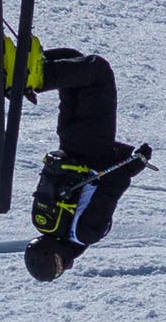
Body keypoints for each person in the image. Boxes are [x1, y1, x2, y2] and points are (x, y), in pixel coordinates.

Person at [20, 47, 150, 281]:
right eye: (60, 269)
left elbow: (112, 187)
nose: (66, 265)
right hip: (68, 141)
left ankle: (33, 74)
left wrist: (133, 166)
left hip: (93, 147)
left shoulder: (86, 233)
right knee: (76, 66)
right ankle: (32, 67)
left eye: (58, 264)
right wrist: (130, 157)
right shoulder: (45, 223)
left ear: (52, 253)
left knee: (98, 73)